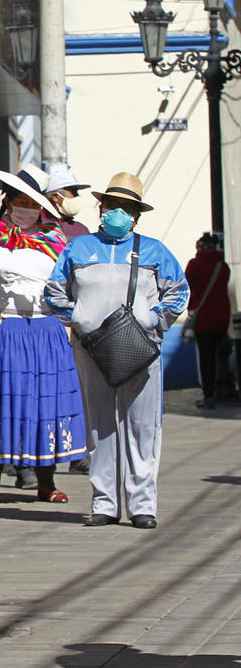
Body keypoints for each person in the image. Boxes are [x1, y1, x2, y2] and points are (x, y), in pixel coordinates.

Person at [46, 172, 188, 529]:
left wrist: (154, 321)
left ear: (136, 214)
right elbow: (53, 291)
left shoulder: (154, 250)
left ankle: (143, 505)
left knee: (143, 426)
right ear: (101, 207)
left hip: (140, 350)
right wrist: (77, 320)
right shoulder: (78, 248)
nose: (117, 212)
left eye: (126, 207)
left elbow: (179, 292)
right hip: (91, 349)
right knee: (99, 426)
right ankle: (104, 503)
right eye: (112, 205)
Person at [0, 164, 87, 503]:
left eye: (32, 203)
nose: (25, 208)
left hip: (43, 331)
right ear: (7, 201)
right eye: (20, 200)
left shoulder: (56, 241)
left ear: (43, 208)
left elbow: (70, 282)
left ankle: (46, 482)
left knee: (43, 405)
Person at [184, 232, 232, 409]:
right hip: (222, 317)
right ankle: (225, 390)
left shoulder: (195, 265)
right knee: (222, 355)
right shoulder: (224, 266)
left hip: (203, 318)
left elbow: (186, 286)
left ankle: (209, 395)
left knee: (206, 359)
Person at [44, 163, 91, 240]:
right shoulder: (36, 224)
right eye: (73, 192)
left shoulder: (81, 231)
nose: (77, 197)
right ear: (55, 197)